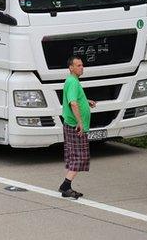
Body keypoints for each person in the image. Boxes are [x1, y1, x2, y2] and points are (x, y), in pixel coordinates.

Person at [58, 55, 96, 199]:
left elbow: (75, 99)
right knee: (80, 157)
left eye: (82, 65)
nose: (82, 67)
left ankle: (67, 186)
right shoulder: (73, 82)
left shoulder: (72, 81)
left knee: (74, 156)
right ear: (71, 68)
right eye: (78, 65)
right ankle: (65, 186)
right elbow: (73, 103)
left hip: (71, 124)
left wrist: (87, 102)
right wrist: (80, 122)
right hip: (75, 126)